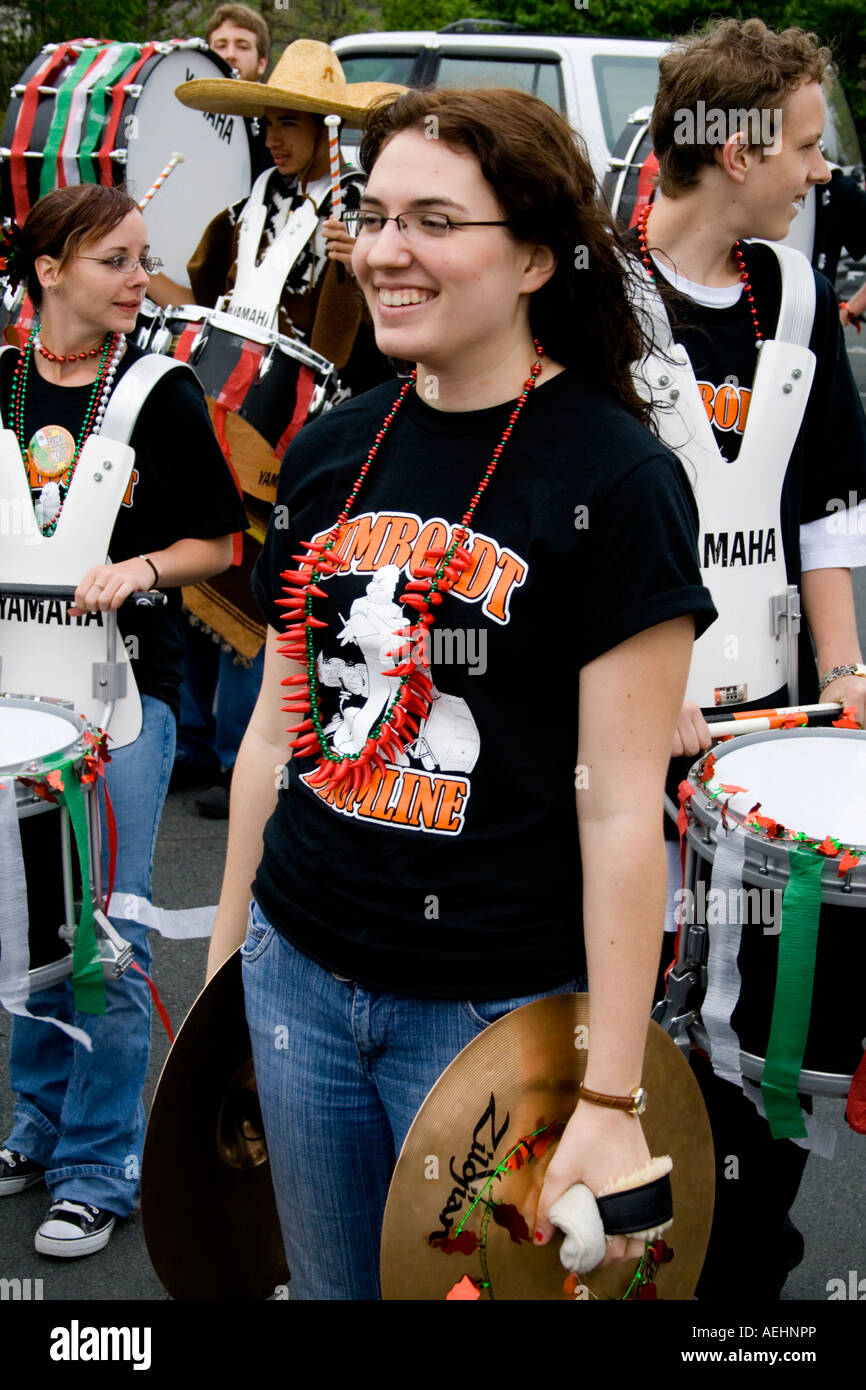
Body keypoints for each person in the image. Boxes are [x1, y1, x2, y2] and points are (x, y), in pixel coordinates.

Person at [205, 84, 717, 1300]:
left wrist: (609, 1091)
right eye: (373, 214)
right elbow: (279, 735)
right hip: (297, 971)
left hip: (492, 1013)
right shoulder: (333, 448)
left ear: (535, 254)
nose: (385, 250)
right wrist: (228, 965)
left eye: (434, 220)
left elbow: (615, 809)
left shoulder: (618, 481)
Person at [630, 17, 866, 1299]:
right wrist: (642, 690)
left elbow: (824, 500)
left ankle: (743, 1275)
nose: (816, 169)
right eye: (802, 144)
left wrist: (841, 675)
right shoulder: (589, 301)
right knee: (638, 999)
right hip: (628, 733)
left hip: (771, 728)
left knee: (757, 1013)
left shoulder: (790, 294)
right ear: (729, 150)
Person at [0, 184, 247, 1255]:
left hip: (120, 701)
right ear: (49, 269)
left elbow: (219, 541)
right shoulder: (5, 382)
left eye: (143, 258)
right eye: (115, 259)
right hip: (11, 702)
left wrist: (139, 567)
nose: (139, 279)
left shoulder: (161, 390)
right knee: (26, 933)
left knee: (104, 937)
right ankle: (36, 1121)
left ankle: (100, 1164)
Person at [150, 40, 401, 817]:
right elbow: (202, 289)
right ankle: (193, 741)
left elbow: (363, 339)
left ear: (328, 128)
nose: (276, 138)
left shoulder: (362, 210)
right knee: (200, 558)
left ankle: (239, 758)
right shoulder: (248, 204)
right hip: (228, 406)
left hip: (312, 419)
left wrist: (357, 263)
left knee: (266, 584)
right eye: (269, 125)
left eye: (291, 124)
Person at [205, 2, 272, 179]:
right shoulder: (188, 115)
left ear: (261, 64)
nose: (230, 55)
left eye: (242, 46)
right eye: (221, 46)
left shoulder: (275, 125)